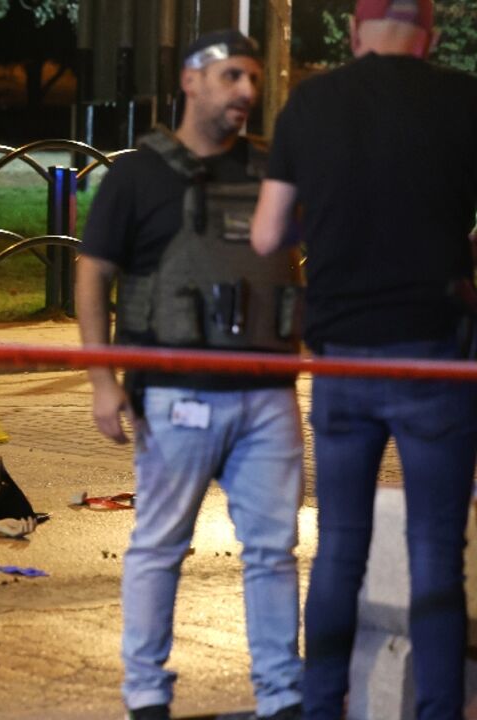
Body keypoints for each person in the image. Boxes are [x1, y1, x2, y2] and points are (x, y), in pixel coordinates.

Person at [251, 1, 477, 716]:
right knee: (437, 553)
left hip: (343, 359)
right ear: (431, 37)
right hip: (435, 359)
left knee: (339, 547)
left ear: (354, 34)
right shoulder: (464, 99)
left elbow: (264, 237)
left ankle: (323, 707)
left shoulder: (312, 102)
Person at [76, 30, 304, 720]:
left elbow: (295, 267)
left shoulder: (272, 172)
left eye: (254, 79)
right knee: (160, 546)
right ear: (191, 81)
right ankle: (146, 695)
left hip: (267, 398)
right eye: (233, 75)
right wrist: (103, 381)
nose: (247, 91)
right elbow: (92, 277)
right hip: (176, 396)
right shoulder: (136, 175)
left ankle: (283, 697)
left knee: (273, 551)